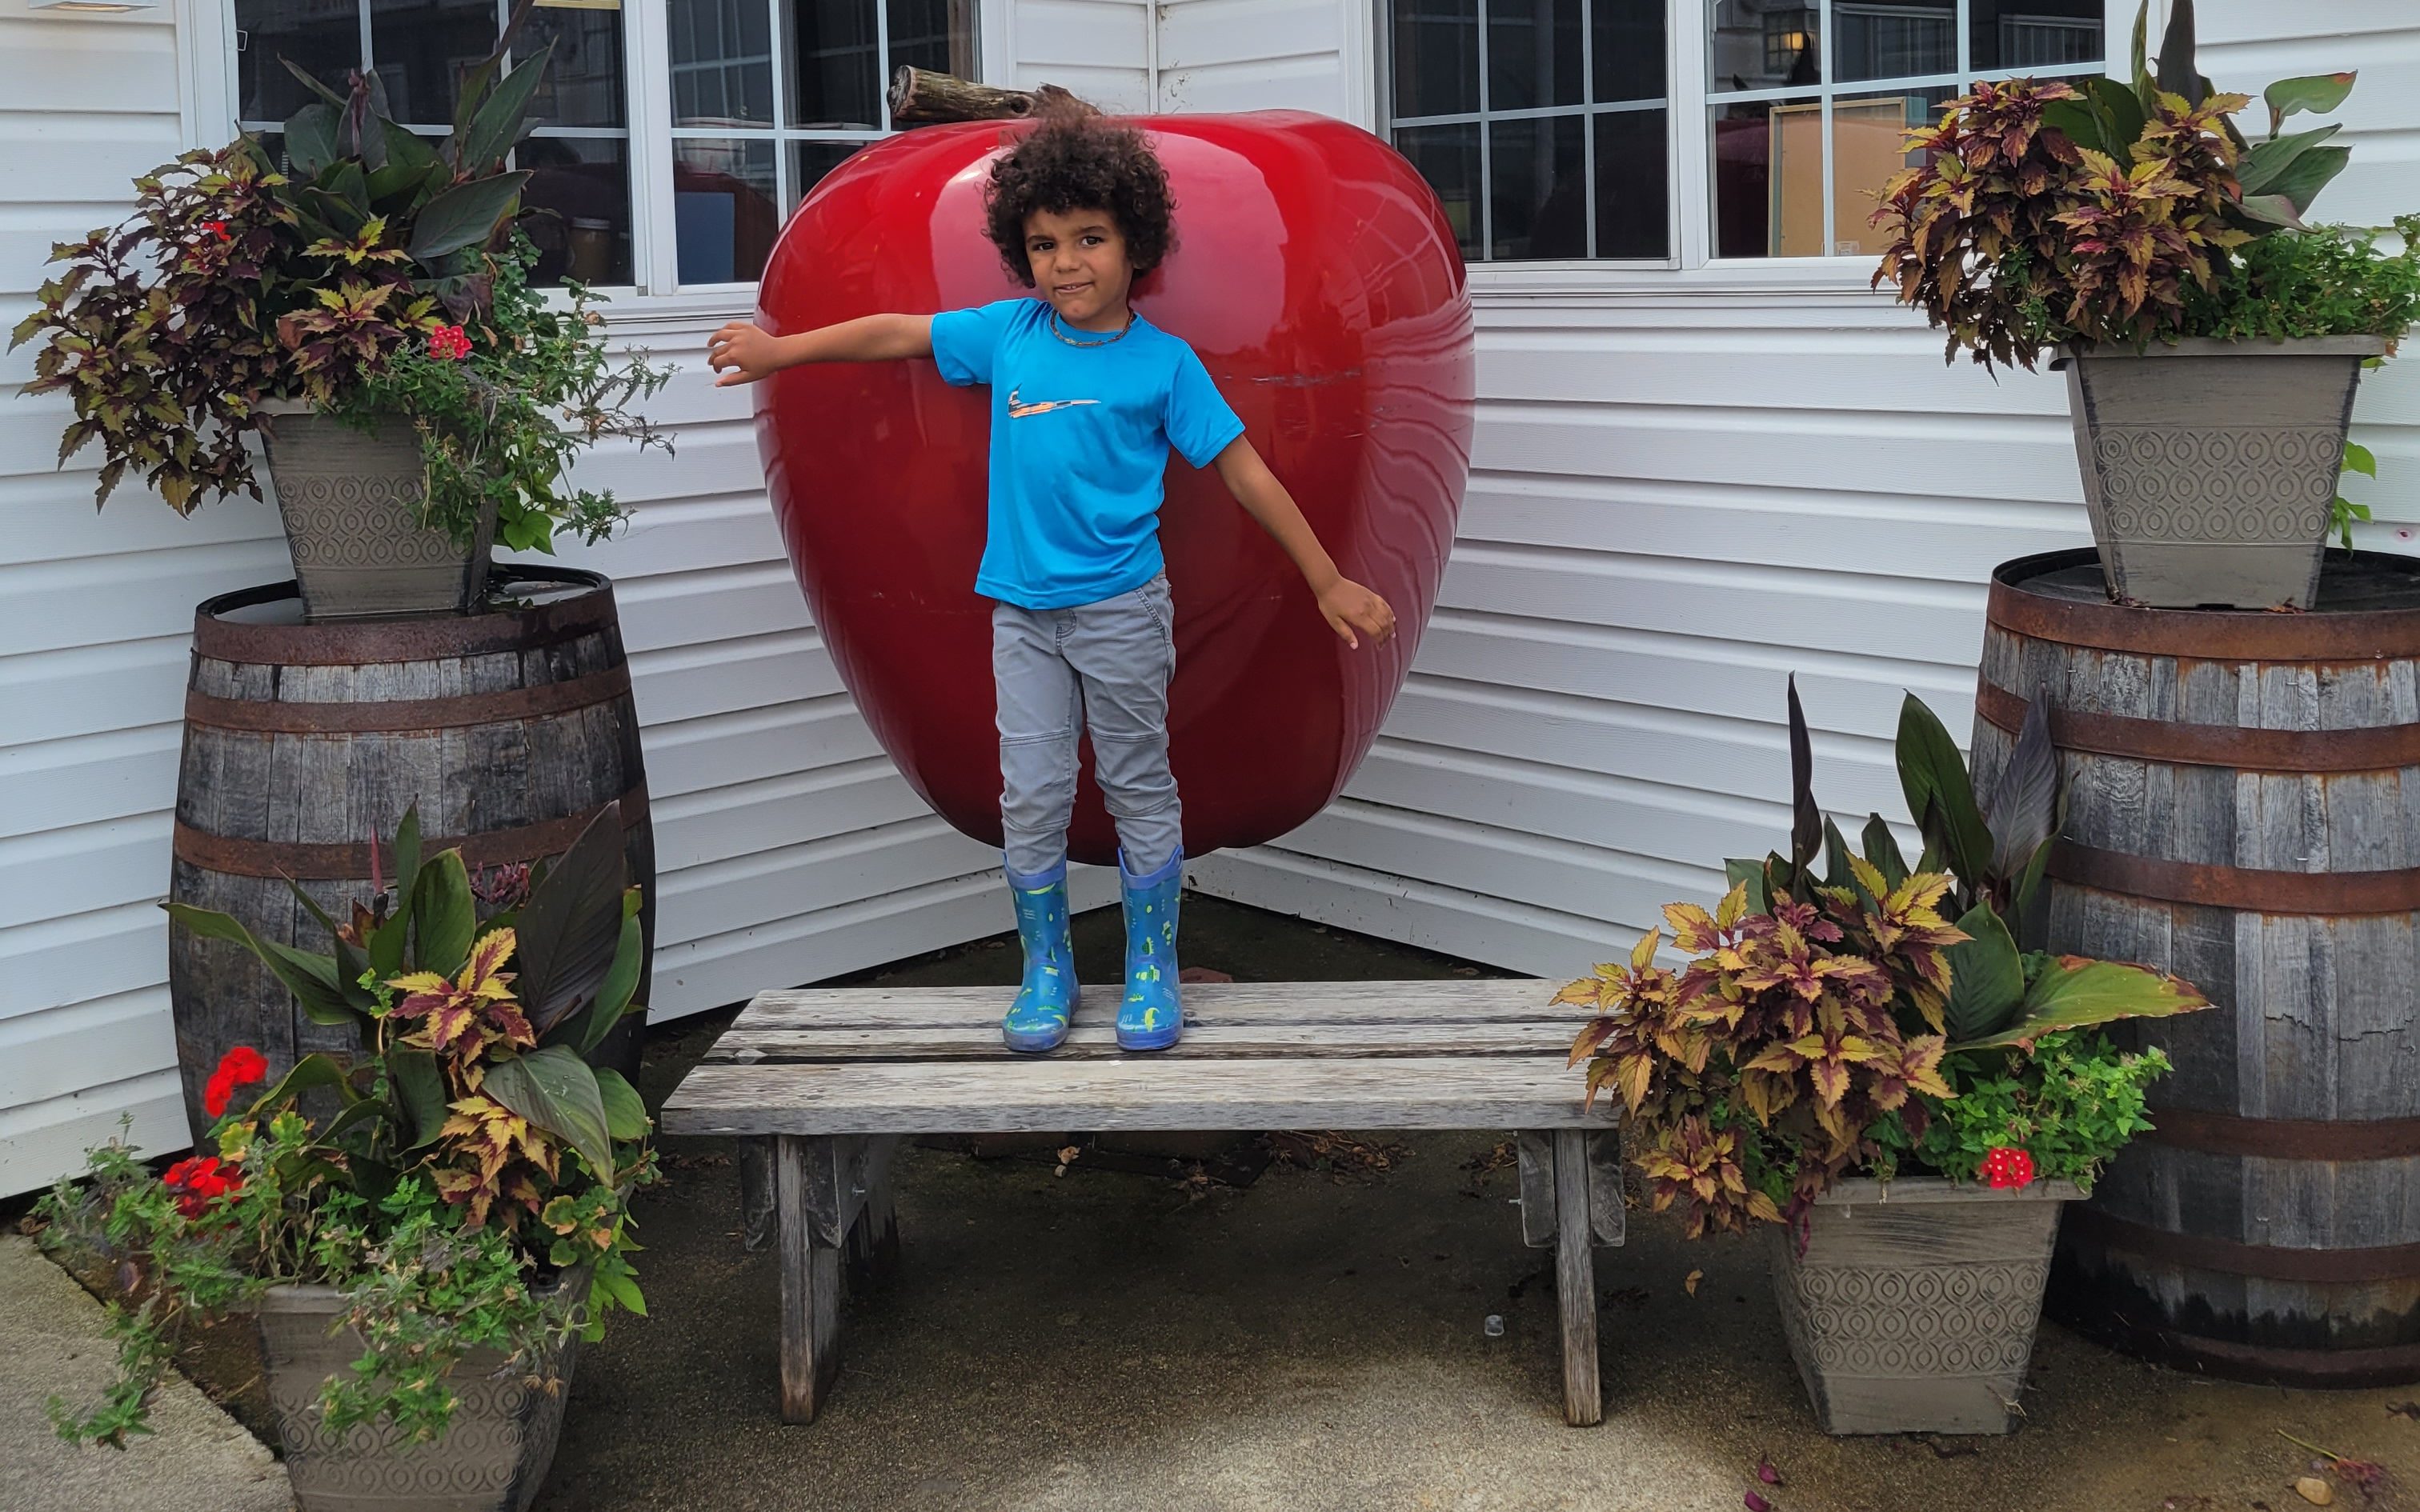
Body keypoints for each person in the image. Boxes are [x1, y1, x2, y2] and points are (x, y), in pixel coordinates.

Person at [707, 114, 1396, 1055]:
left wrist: (1327, 579)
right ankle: (1047, 970)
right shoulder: (1011, 334)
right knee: (1029, 796)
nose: (1066, 263)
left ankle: (1150, 966)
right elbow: (897, 334)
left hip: (1122, 613)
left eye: (1089, 239)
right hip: (1024, 618)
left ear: (1134, 245)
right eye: (1043, 244)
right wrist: (778, 351)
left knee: (1137, 783)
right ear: (1020, 254)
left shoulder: (1164, 364)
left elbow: (1245, 472)